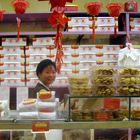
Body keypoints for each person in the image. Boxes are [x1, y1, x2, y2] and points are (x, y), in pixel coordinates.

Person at [32, 59, 57, 140]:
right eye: (47, 72)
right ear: (39, 74)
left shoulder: (46, 88)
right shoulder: (41, 90)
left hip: (44, 128)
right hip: (41, 128)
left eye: (53, 72)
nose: (51, 75)